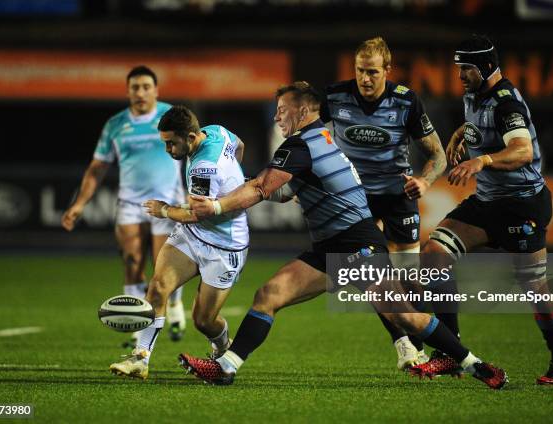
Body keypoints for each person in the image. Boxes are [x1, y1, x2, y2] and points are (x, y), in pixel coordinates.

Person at [178, 81, 506, 389]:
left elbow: (264, 187)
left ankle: (473, 363)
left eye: (282, 108)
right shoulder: (318, 138)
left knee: (405, 316)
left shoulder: (301, 145)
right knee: (269, 294)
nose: (277, 115)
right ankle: (227, 367)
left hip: (356, 243)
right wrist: (242, 181)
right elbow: (281, 190)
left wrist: (218, 206)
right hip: (330, 246)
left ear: (303, 111)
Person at [410, 35, 553, 386]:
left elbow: (522, 151)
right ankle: (449, 355)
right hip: (487, 202)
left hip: (521, 205)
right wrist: (461, 135)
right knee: (434, 253)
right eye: (459, 68)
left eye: (466, 69)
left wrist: (481, 160)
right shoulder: (476, 94)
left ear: (484, 67)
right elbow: (480, 127)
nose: (460, 76)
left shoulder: (506, 104)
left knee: (535, 288)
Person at [321, 37, 447, 370]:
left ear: (387, 70)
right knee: (372, 277)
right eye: (361, 71)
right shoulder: (334, 97)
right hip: (354, 199)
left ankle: (421, 344)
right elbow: (307, 137)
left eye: (373, 72)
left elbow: (437, 154)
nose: (365, 79)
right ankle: (403, 343)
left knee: (409, 280)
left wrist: (425, 180)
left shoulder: (406, 102)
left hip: (397, 198)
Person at [108, 105, 248, 380]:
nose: (168, 149)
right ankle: (140, 358)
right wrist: (235, 183)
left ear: (192, 137)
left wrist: (163, 210)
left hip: (224, 245)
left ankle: (222, 346)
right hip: (193, 236)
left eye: (172, 143)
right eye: (165, 143)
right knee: (158, 287)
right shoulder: (217, 132)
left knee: (204, 321)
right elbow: (239, 144)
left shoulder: (204, 168)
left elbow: (194, 214)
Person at [61, 66, 187, 346]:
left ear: (156, 90)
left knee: (162, 269)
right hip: (131, 204)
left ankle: (176, 305)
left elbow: (194, 148)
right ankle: (136, 323)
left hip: (167, 202)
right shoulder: (115, 125)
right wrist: (79, 204)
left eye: (145, 87)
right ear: (128, 91)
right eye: (135, 87)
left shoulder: (172, 117)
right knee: (131, 264)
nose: (140, 92)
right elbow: (97, 167)